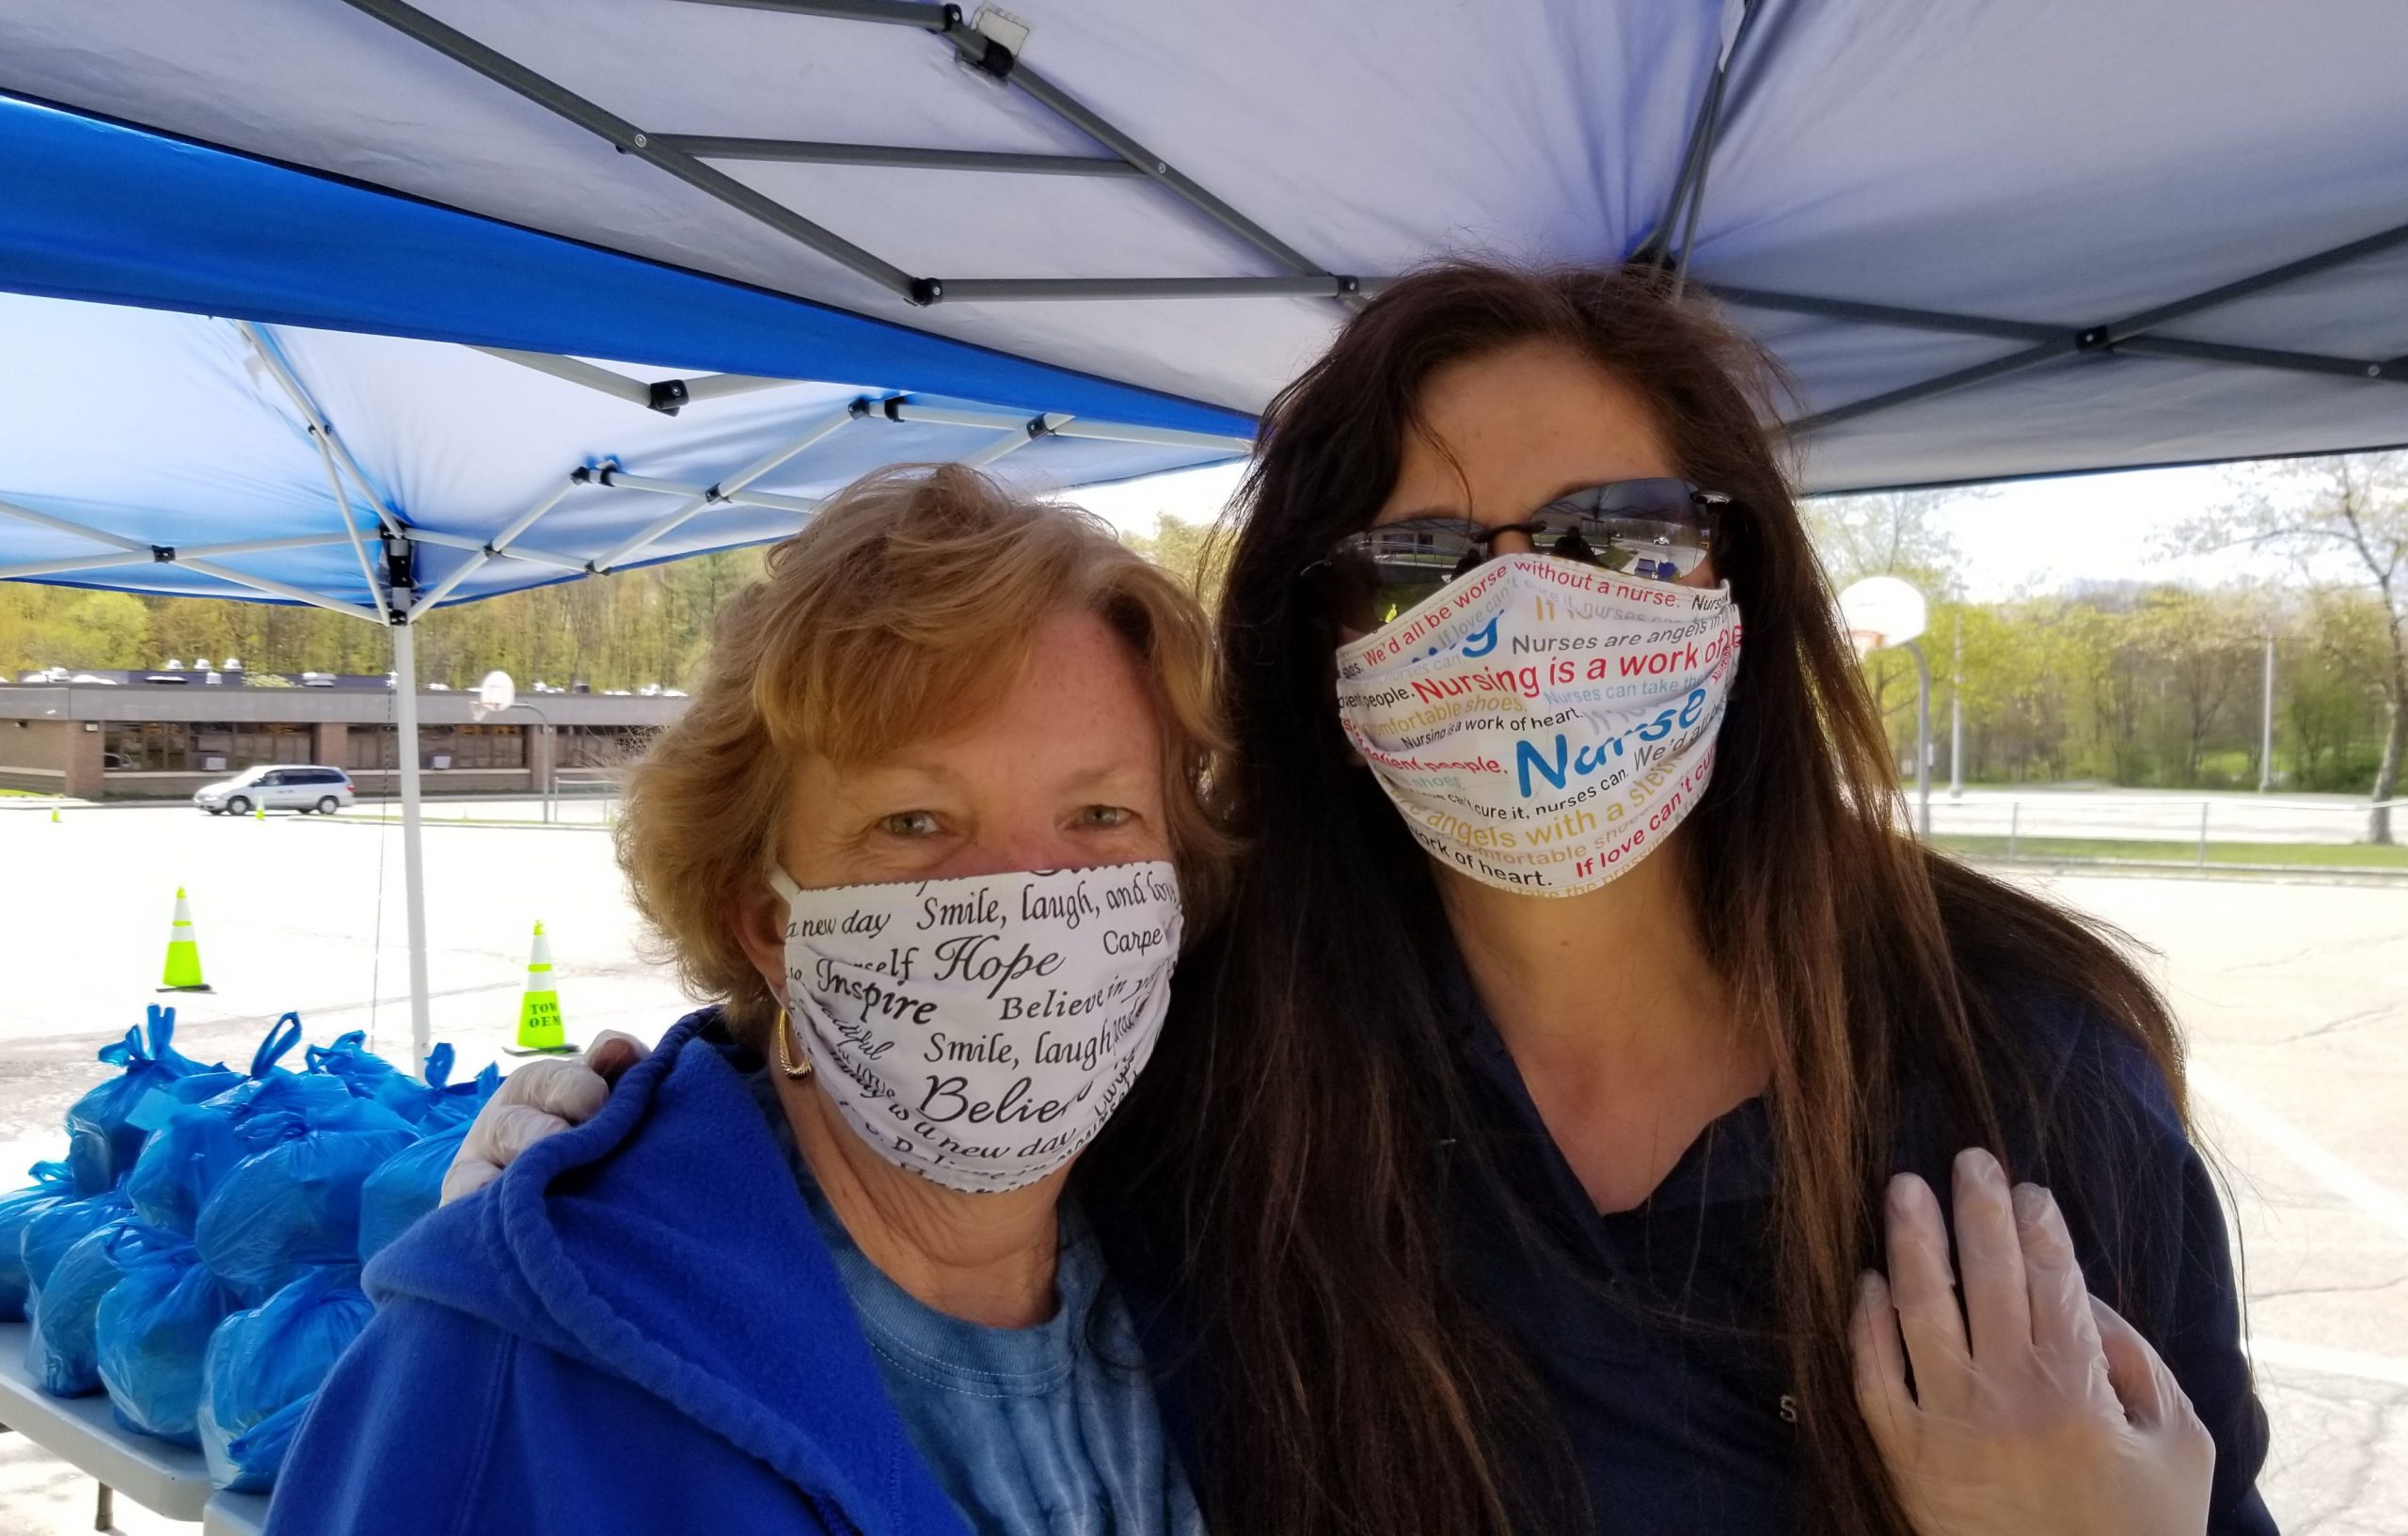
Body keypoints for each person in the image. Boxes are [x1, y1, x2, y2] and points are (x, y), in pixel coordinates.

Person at [441, 269, 2259, 1536]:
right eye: (1424, 559)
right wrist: (602, 1157)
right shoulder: (1220, 1068)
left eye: (1620, 533)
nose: (1527, 614)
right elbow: (911, 1056)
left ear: (1740, 580)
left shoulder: (2020, 1083)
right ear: (1324, 645)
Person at [266, 465, 1232, 1536]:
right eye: (914, 822)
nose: (1024, 893)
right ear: (768, 921)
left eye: (1099, 815)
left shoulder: (1250, 1250)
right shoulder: (516, 1370)